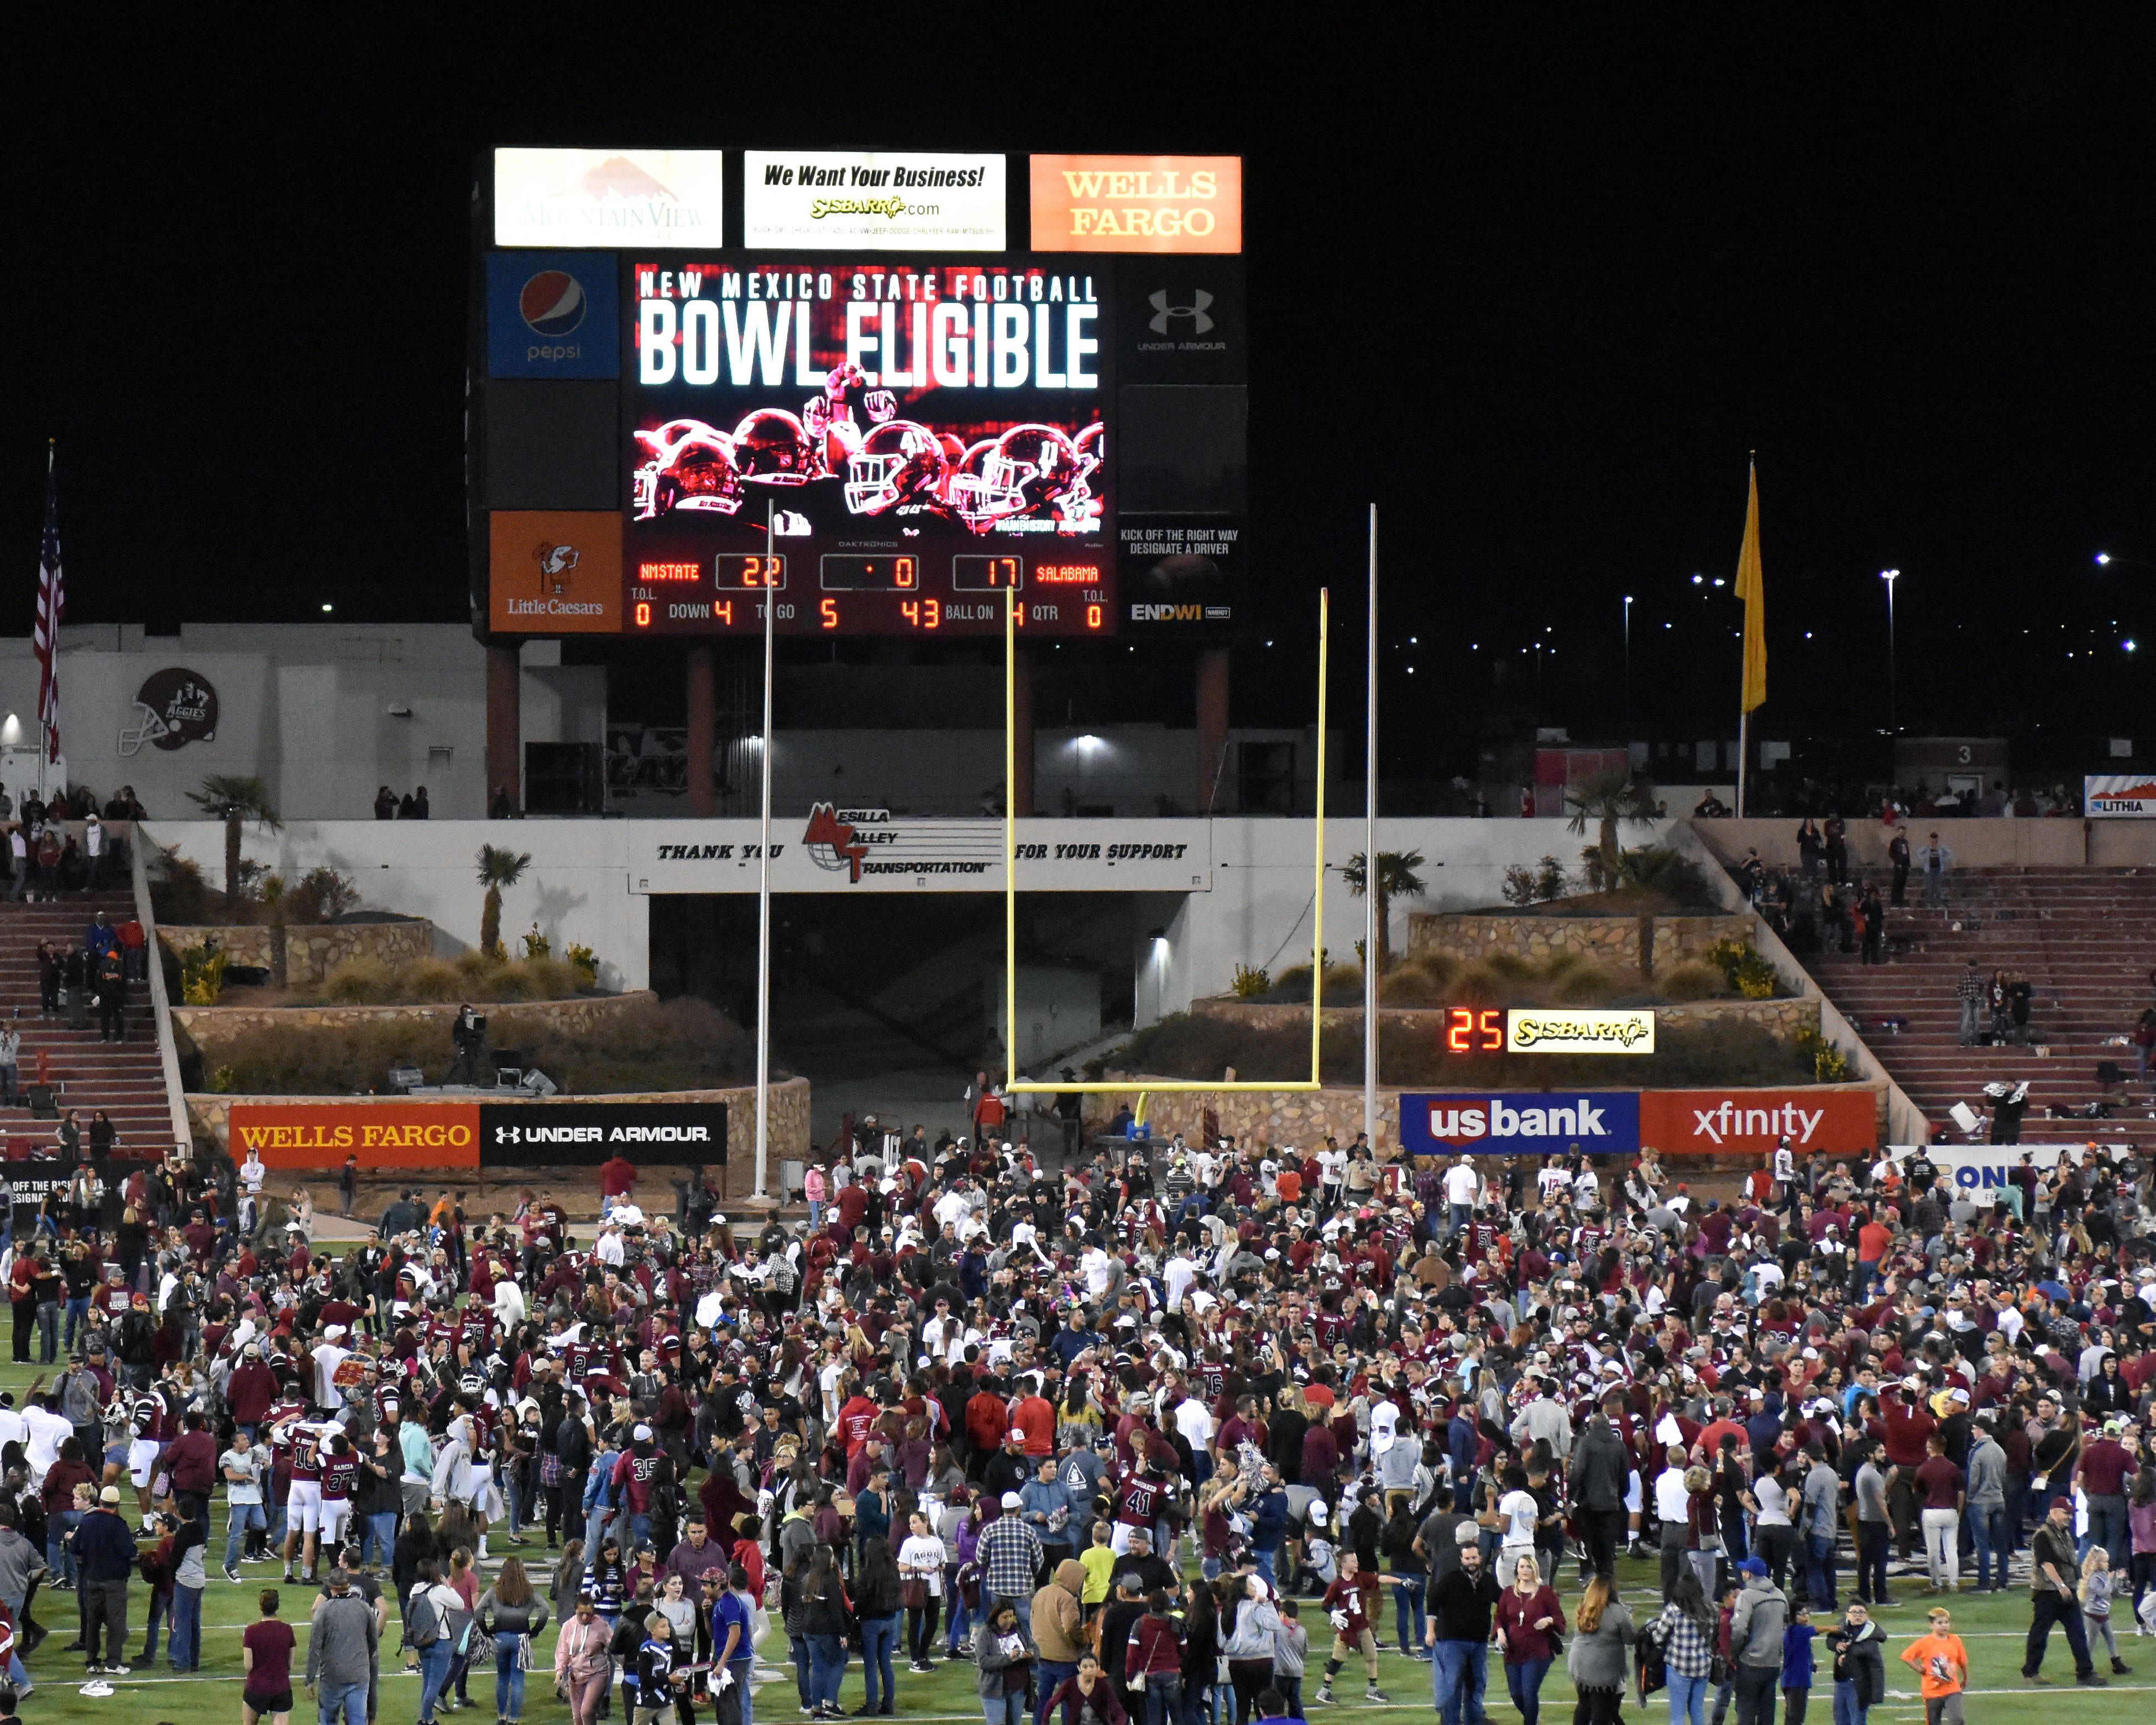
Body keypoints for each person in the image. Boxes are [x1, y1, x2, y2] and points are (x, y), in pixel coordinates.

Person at [2025, 1494, 2102, 1685]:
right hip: (2048, 1592)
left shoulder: (2064, 1533)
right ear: (2054, 1512)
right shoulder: (2043, 1535)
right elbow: (2046, 1563)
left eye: (2071, 1514)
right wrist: (2061, 1586)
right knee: (2040, 1633)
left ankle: (2085, 1673)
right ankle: (2031, 1672)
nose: (2070, 1517)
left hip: (2067, 1591)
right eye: (2066, 1513)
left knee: (2077, 1632)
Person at [1426, 1534, 1498, 1725]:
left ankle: (1474, 1721)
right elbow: (1432, 1605)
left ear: (1480, 1558)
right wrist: (1430, 1631)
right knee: (1452, 1686)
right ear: (1461, 1560)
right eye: (1467, 1558)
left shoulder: (1488, 1581)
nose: (1471, 1562)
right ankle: (1450, 1722)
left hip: (1479, 1643)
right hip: (1452, 1642)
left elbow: (1504, 1602)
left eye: (1474, 1558)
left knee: (1476, 1687)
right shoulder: (1450, 1580)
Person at [478, 1554, 550, 1725]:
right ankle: (514, 1718)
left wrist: (486, 1631)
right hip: (521, 1638)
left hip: (501, 1638)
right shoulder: (529, 1591)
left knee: (502, 1677)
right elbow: (545, 1610)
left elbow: (478, 1611)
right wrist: (535, 1631)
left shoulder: (494, 1590)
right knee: (518, 1679)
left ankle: (501, 1716)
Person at [1493, 1552, 1560, 1725]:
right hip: (1514, 1651)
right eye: (1522, 1566)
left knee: (1529, 1692)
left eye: (1529, 1566)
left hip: (1538, 1651)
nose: (1525, 1570)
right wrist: (1500, 1632)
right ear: (1517, 1570)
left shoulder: (1546, 1593)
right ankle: (1533, 1719)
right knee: (1516, 1694)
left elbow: (1559, 1618)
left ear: (1535, 1569)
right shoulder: (1508, 1593)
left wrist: (1549, 1620)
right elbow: (1499, 1617)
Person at [307, 1567, 379, 1725]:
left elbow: (315, 1648)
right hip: (359, 1675)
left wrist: (310, 1679)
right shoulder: (364, 1608)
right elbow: (374, 1642)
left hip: (332, 1676)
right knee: (357, 1721)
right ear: (349, 1585)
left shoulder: (323, 1611)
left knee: (328, 1720)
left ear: (330, 1586)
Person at [1314, 1550, 1387, 1705]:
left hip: (1362, 1625)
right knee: (1337, 1659)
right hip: (1346, 1628)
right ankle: (1324, 1690)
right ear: (1344, 1564)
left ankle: (1373, 1688)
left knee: (1372, 1657)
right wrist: (1333, 1613)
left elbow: (1380, 1578)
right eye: (1353, 1561)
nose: (1357, 1563)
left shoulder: (1360, 1578)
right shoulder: (1337, 1584)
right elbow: (1325, 1604)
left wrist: (1401, 1581)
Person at [1563, 1572, 1634, 1725]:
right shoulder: (1617, 1612)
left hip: (1579, 1664)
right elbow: (1630, 1639)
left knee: (1584, 1705)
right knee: (1601, 1711)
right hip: (1603, 1669)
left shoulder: (1585, 1608)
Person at [1650, 1569, 1717, 1725]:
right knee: (1697, 1711)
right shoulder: (1711, 1609)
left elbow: (1658, 1638)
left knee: (1678, 1716)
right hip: (1703, 1666)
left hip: (1679, 1667)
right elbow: (1713, 1637)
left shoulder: (1674, 1611)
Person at [1729, 1557, 1787, 1725]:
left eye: (1744, 1571)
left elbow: (1739, 1629)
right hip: (1773, 1663)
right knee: (1767, 1713)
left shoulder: (1747, 1596)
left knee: (1746, 1711)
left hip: (1751, 1662)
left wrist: (1734, 1653)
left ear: (1749, 1574)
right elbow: (1785, 1625)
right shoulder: (1780, 1595)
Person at [1898, 1606, 1966, 1725]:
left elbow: (1962, 1661)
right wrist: (1920, 1669)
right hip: (1932, 1691)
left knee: (1958, 1720)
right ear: (1932, 1625)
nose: (1944, 1626)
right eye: (1940, 1623)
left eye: (1946, 1622)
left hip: (1952, 1689)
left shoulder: (1955, 1640)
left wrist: (1965, 1677)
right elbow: (1906, 1656)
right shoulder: (1925, 1643)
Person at [554, 1590, 614, 1725]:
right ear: (575, 1610)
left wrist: (624, 1659)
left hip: (597, 1673)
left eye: (589, 1614)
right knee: (578, 1718)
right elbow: (563, 1651)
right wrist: (560, 1671)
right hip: (575, 1675)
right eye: (581, 1613)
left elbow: (614, 1644)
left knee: (587, 1711)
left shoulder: (601, 1625)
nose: (585, 1617)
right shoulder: (568, 1627)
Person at [976, 1597, 1038, 1725]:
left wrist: (1030, 1654)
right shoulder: (986, 1633)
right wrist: (1009, 1658)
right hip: (994, 1690)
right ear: (995, 1616)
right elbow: (983, 1661)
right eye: (1005, 1617)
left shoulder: (1019, 1628)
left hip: (1019, 1688)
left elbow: (1035, 1648)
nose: (1009, 1620)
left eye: (1011, 1616)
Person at [243, 1587, 297, 1725]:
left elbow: (248, 1665)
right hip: (281, 1688)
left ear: (260, 1607)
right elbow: (290, 1664)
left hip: (257, 1688)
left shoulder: (251, 1631)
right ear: (277, 1607)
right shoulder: (287, 1630)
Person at [1782, 1604, 1816, 1725]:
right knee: (1795, 1718)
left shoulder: (1793, 1631)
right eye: (1801, 1614)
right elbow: (1814, 1630)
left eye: (1807, 1614)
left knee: (1793, 1717)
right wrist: (1833, 1628)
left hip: (1792, 1680)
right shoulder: (1797, 1631)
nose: (1805, 1617)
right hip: (1796, 1681)